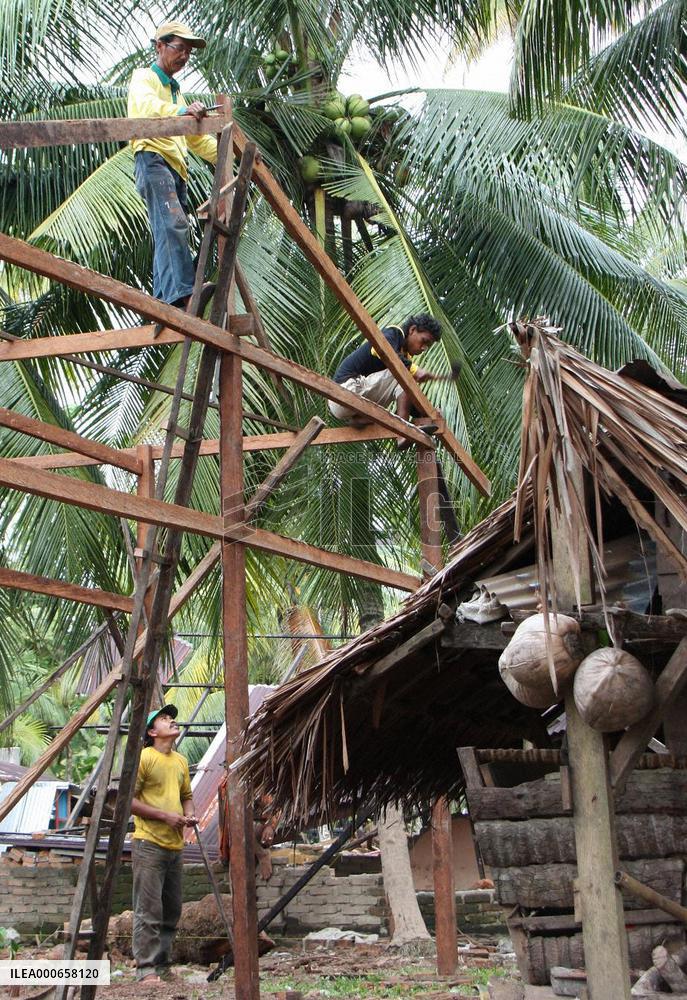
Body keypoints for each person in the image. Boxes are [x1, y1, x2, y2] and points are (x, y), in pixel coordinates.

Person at [128, 21, 217, 308]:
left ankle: (167, 299)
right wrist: (182, 111)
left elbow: (197, 141)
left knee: (170, 228)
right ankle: (181, 293)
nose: (184, 56)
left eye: (188, 52)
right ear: (160, 46)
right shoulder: (145, 78)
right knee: (172, 224)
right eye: (180, 48)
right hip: (153, 159)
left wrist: (232, 155)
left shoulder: (177, 92)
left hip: (175, 168)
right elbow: (146, 108)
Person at [130, 704, 196, 983]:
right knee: (149, 908)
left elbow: (186, 795)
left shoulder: (180, 761)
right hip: (149, 843)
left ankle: (162, 965)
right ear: (152, 731)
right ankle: (145, 968)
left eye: (172, 718)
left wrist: (189, 814)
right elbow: (128, 802)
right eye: (165, 719)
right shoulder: (144, 758)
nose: (171, 721)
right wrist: (165, 816)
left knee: (171, 909)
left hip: (174, 845)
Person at [328, 313, 443, 424]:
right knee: (403, 375)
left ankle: (360, 420)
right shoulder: (394, 333)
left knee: (403, 383)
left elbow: (408, 396)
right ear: (412, 330)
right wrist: (414, 370)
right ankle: (402, 431)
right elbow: (383, 350)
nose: (423, 348)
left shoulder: (403, 357)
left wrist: (428, 414)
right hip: (343, 392)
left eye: (427, 346)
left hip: (351, 404)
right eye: (424, 341)